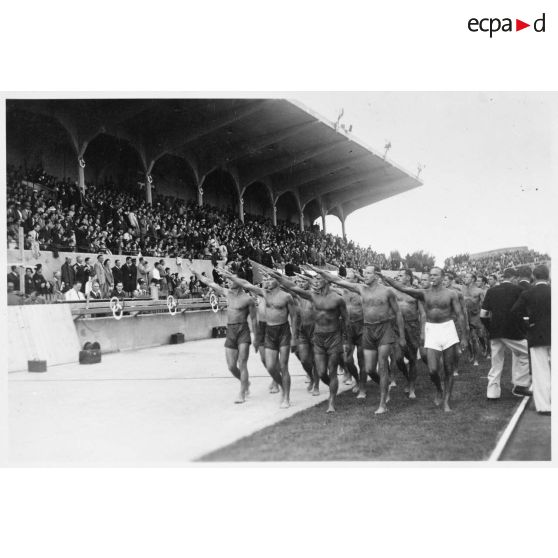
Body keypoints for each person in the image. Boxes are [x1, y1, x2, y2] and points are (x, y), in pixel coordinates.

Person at [310, 264, 405, 415]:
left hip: (384, 329)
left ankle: (382, 403)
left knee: (382, 364)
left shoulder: (387, 291)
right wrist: (320, 271)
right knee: (370, 369)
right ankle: (384, 385)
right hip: (368, 329)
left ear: (376, 275)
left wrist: (402, 337)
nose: (365, 275)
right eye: (364, 273)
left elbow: (398, 313)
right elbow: (338, 280)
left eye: (368, 273)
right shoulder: (361, 289)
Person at [380, 267, 467, 412]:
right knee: (433, 370)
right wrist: (385, 277)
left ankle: (446, 401)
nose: (432, 277)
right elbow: (402, 287)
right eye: (431, 275)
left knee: (448, 368)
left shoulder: (451, 294)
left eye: (435, 275)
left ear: (442, 277)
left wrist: (464, 336)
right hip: (432, 329)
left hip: (448, 329)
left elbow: (460, 315)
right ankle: (439, 389)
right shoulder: (423, 293)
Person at [265, 264, 348, 413]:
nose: (316, 281)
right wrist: (278, 277)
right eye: (315, 279)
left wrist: (346, 340)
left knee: (332, 370)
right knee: (321, 372)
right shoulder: (312, 296)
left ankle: (331, 401)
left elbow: (346, 319)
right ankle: (331, 387)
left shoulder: (338, 299)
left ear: (328, 280)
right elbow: (293, 287)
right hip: (318, 337)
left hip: (334, 337)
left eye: (319, 278)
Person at [219, 266, 298, 409]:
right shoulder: (263, 293)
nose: (267, 281)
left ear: (278, 280)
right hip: (269, 331)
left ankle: (286, 396)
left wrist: (294, 337)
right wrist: (229, 276)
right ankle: (282, 385)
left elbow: (294, 316)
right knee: (270, 366)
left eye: (270, 279)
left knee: (283, 366)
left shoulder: (286, 296)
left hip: (284, 331)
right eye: (266, 279)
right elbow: (245, 284)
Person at [187, 264, 257, 404]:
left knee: (242, 363)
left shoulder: (248, 299)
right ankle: (245, 382)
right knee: (231, 366)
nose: (229, 282)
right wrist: (195, 272)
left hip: (243, 330)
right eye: (229, 280)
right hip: (230, 330)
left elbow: (254, 319)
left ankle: (242, 392)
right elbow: (209, 282)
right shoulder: (226, 292)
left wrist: (256, 337)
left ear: (240, 281)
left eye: (232, 280)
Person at [480, 268, 531, 400]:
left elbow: (483, 314)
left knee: (496, 362)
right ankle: (520, 384)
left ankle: (492, 393)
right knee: (528, 353)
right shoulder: (519, 290)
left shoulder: (491, 291)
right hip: (513, 331)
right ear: (514, 278)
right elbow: (524, 312)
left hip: (495, 331)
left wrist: (490, 328)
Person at [511, 265, 551, 414]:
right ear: (548, 276)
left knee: (540, 371)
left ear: (534, 276)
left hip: (536, 334)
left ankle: (544, 406)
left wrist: (527, 325)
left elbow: (514, 312)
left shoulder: (528, 293)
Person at [391, 269, 425, 399]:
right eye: (397, 275)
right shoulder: (393, 291)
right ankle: (407, 377)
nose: (398, 277)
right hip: (397, 327)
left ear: (408, 277)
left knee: (412, 358)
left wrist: (422, 332)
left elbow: (422, 314)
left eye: (401, 275)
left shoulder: (415, 293)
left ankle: (411, 387)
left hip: (412, 326)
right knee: (398, 358)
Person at [462, 272, 485, 366]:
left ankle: (477, 357)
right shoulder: (461, 289)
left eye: (467, 277)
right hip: (465, 316)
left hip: (476, 316)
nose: (465, 278)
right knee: (468, 338)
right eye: (465, 277)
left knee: (477, 337)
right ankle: (471, 353)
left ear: (472, 279)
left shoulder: (479, 291)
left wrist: (484, 318)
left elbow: (484, 305)